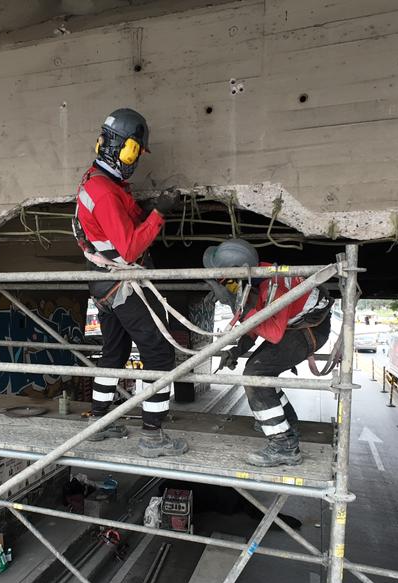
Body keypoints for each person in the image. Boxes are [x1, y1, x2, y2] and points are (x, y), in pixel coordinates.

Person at [73, 107, 186, 458]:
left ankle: (101, 421)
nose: (134, 160)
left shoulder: (98, 181)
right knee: (158, 353)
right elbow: (131, 246)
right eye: (133, 150)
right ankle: (153, 434)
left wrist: (147, 209)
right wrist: (160, 213)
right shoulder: (105, 192)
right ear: (118, 148)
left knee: (114, 352)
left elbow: (118, 223)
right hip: (121, 283)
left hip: (102, 285)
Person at [206, 239, 333, 467]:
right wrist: (238, 349)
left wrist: (240, 309)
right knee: (260, 369)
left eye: (229, 284)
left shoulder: (274, 286)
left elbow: (273, 333)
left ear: (240, 274)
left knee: (256, 373)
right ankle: (287, 424)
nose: (230, 290)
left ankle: (283, 446)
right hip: (297, 326)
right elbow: (260, 322)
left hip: (310, 329)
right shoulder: (261, 276)